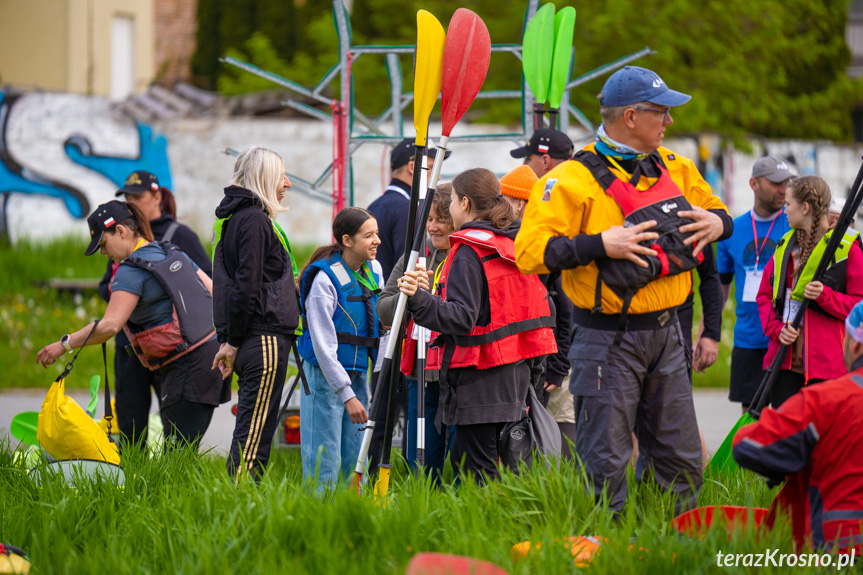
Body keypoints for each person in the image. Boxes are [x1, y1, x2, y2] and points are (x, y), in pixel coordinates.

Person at [515, 66, 732, 512]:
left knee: (682, 459)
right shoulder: (570, 180)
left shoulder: (677, 166)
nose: (669, 122)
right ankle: (606, 550)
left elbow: (716, 209)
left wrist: (719, 222)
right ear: (631, 116)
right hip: (605, 339)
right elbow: (529, 253)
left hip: (668, 333)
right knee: (605, 462)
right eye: (662, 112)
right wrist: (601, 244)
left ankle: (677, 547)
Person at [398, 168, 558, 483]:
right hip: (516, 377)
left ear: (466, 203)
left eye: (454, 201)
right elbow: (542, 309)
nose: (452, 208)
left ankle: (482, 529)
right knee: (500, 471)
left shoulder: (469, 251)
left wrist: (418, 299)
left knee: (475, 476)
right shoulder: (513, 243)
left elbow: (460, 318)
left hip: (479, 382)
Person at [37, 200, 227, 446]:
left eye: (103, 244)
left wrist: (64, 344)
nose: (104, 253)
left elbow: (109, 326)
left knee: (177, 459)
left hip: (187, 370)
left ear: (121, 231)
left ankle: (228, 484)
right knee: (180, 454)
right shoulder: (172, 251)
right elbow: (215, 293)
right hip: (208, 360)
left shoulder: (129, 270)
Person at [732, 299, 863, 555]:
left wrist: (797, 457)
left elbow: (746, 445)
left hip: (841, 550)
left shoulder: (827, 400)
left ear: (856, 344)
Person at [96, 170, 213, 446]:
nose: (131, 202)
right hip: (130, 347)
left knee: (175, 425)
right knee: (129, 423)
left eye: (137, 196)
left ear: (157, 196)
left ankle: (166, 478)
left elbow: (206, 288)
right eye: (127, 197)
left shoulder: (180, 236)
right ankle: (132, 477)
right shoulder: (121, 240)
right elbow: (105, 287)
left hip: (173, 349)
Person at [212, 146, 299, 480]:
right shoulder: (255, 221)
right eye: (281, 177)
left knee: (253, 434)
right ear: (263, 179)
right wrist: (231, 342)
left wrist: (230, 340)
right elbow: (246, 287)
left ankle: (241, 505)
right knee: (253, 442)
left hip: (251, 338)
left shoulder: (236, 220)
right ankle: (239, 506)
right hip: (262, 338)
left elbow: (235, 285)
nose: (287, 184)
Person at [756, 175, 863, 407]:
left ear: (805, 208)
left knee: (824, 442)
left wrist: (826, 296)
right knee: (786, 439)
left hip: (829, 368)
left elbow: (860, 307)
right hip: (784, 365)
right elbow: (764, 296)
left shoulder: (848, 250)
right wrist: (777, 329)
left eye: (788, 204)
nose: (784, 210)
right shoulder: (785, 247)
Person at [297, 207, 382, 485]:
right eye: (368, 235)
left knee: (356, 454)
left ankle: (352, 513)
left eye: (377, 234)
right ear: (347, 240)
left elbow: (382, 327)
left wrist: (377, 376)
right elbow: (323, 345)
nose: (377, 241)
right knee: (325, 454)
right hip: (325, 377)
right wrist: (346, 394)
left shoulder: (374, 271)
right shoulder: (324, 280)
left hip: (356, 372)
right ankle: (321, 516)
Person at [377, 184, 456, 480]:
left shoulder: (466, 256)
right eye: (429, 220)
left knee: (465, 465)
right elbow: (383, 310)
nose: (432, 227)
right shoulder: (414, 258)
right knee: (421, 465)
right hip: (421, 377)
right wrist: (409, 295)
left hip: (460, 374)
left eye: (440, 220)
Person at [500, 165, 576, 458]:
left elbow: (567, 312)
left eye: (502, 199)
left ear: (519, 203)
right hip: (523, 354)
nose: (497, 204)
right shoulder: (507, 239)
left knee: (547, 427)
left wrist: (559, 367)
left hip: (545, 358)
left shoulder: (544, 244)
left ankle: (558, 488)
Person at [715, 157, 793, 412]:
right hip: (748, 340)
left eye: (786, 183)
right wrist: (709, 333)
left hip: (786, 339)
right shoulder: (732, 230)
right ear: (754, 184)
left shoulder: (795, 224)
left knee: (787, 418)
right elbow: (721, 287)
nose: (783, 190)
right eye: (775, 183)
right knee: (751, 419)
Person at [368, 137, 451, 282]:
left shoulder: (375, 205)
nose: (438, 178)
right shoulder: (408, 210)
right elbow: (409, 268)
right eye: (431, 168)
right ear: (413, 167)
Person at [509, 128, 574, 178]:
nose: (523, 164)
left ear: (545, 161)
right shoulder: (579, 184)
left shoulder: (543, 194)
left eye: (528, 159)